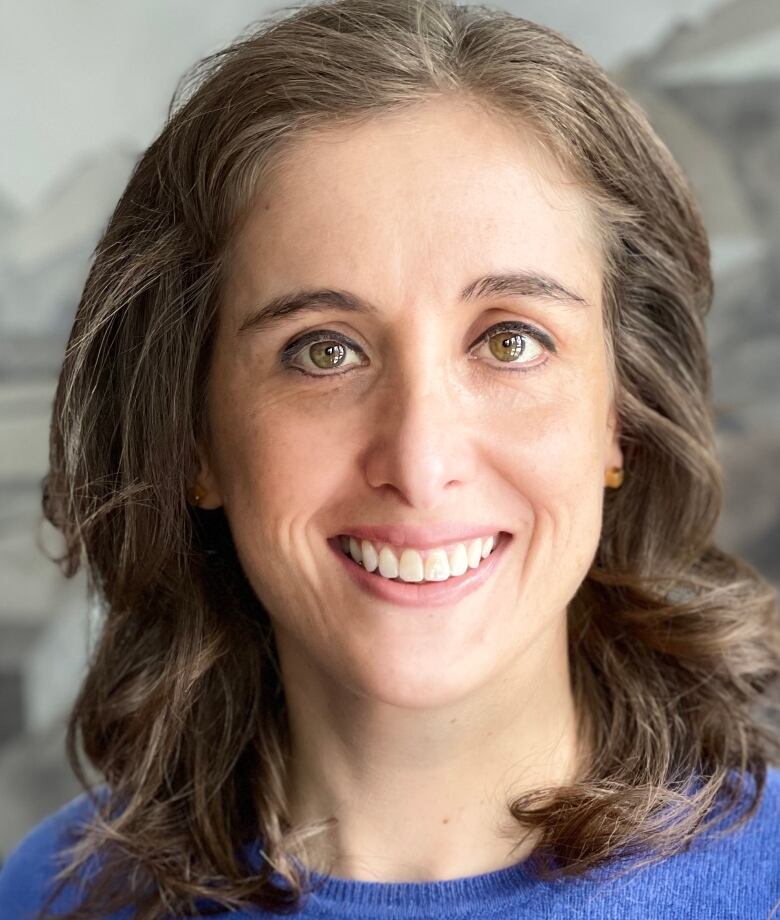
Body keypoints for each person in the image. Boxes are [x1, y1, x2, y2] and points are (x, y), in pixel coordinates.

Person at [1, 0, 779, 917]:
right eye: (323, 350)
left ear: (622, 417)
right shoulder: (51, 897)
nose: (419, 459)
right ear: (195, 440)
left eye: (511, 341)